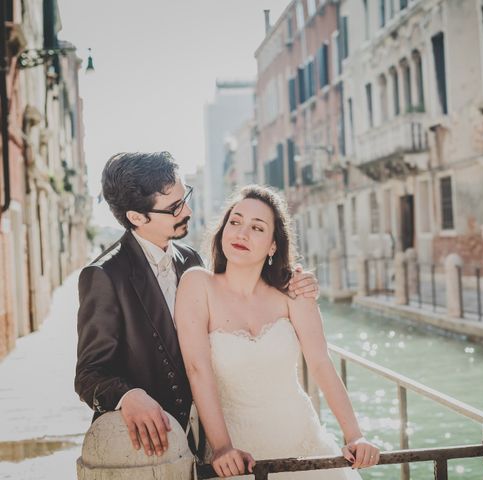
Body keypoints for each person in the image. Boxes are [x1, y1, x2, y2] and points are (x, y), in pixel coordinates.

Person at [74, 152, 319, 459]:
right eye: (175, 207)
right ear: (137, 217)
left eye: (184, 197)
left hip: (210, 439)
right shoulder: (103, 275)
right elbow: (89, 374)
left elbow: (238, 297)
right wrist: (128, 395)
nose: (187, 210)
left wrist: (295, 282)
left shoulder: (192, 259)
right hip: (147, 451)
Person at [175, 185, 380, 478]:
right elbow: (197, 369)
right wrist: (222, 447)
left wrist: (354, 435)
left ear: (273, 245)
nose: (241, 233)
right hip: (238, 455)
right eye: (235, 222)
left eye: (257, 228)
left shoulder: (293, 290)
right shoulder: (197, 284)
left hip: (304, 444)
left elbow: (321, 364)